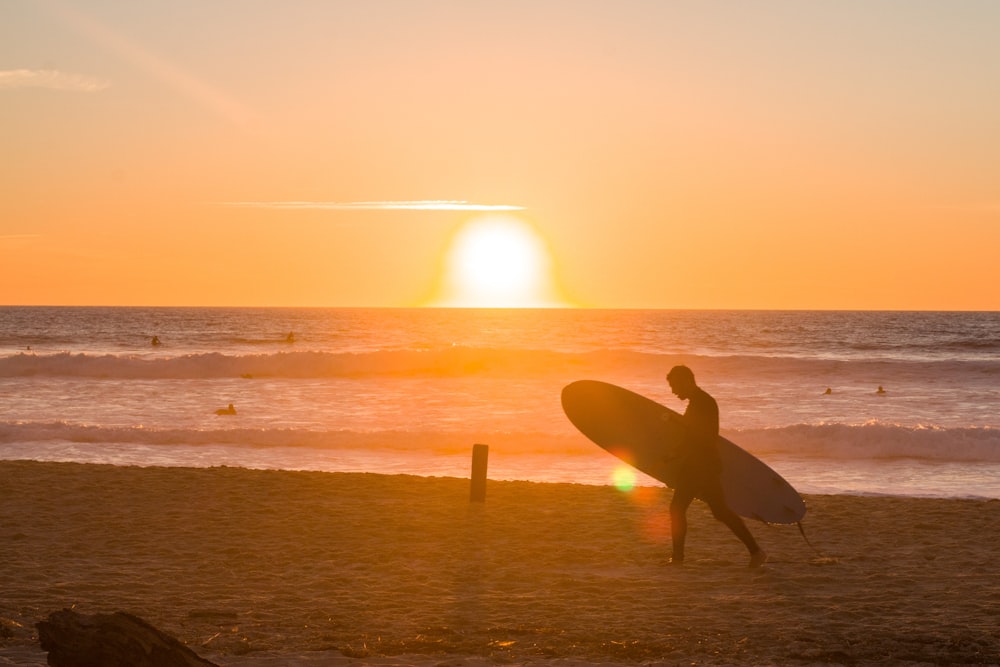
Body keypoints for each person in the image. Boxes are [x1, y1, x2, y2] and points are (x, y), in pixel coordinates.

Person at [665, 365, 767, 568]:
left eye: (675, 385)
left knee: (680, 509)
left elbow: (703, 436)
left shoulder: (704, 402)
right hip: (700, 464)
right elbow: (692, 435)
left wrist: (679, 433)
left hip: (701, 465)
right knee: (718, 511)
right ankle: (756, 551)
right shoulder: (697, 402)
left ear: (687, 381)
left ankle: (677, 559)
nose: (673, 391)